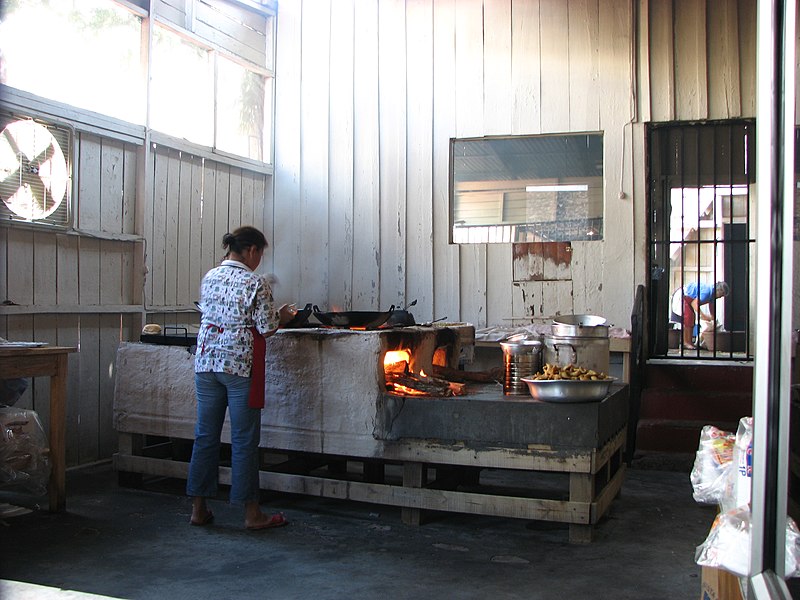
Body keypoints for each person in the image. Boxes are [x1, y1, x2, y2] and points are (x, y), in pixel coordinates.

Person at [187, 226, 296, 530]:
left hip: (206, 363)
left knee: (205, 436)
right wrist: (283, 316)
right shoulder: (254, 282)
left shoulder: (209, 277)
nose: (260, 259)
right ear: (251, 251)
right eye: (260, 253)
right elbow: (267, 327)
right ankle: (251, 515)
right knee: (244, 440)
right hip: (239, 367)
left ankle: (198, 509)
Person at [681, 281, 730, 349]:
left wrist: (713, 319)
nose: (720, 297)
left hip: (689, 299)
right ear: (718, 290)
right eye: (721, 295)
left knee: (691, 320)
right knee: (688, 319)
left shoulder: (712, 295)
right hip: (684, 296)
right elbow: (694, 303)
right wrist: (703, 315)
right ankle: (686, 342)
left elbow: (711, 308)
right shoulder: (707, 291)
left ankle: (690, 342)